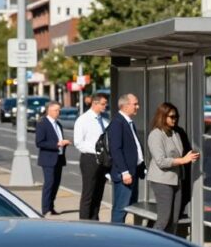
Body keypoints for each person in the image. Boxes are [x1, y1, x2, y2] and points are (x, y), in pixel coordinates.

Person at [147, 102, 199, 235]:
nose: (174, 119)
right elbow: (160, 161)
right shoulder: (156, 134)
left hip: (177, 179)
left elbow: (179, 154)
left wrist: (189, 157)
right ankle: (152, 244)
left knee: (174, 220)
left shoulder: (175, 133)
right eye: (171, 116)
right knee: (164, 219)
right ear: (162, 116)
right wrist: (183, 160)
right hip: (162, 181)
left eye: (176, 116)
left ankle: (168, 245)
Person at [108, 93, 145, 223]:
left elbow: (134, 147)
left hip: (133, 172)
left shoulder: (128, 122)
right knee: (120, 209)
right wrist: (124, 172)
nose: (137, 107)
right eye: (135, 104)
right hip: (125, 175)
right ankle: (116, 233)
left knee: (132, 206)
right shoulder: (117, 123)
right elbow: (116, 150)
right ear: (125, 106)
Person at [73, 92, 109, 220]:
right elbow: (78, 142)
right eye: (103, 104)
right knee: (88, 194)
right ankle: (84, 222)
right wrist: (97, 151)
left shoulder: (104, 121)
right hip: (89, 159)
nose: (105, 106)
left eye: (106, 104)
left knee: (98, 194)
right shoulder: (83, 120)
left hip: (102, 161)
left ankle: (94, 220)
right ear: (94, 103)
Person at [34, 101, 70, 217]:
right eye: (56, 110)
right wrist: (57, 144)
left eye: (59, 110)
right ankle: (46, 209)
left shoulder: (58, 124)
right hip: (48, 158)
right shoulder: (42, 123)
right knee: (49, 183)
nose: (58, 112)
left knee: (56, 183)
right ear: (48, 110)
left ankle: (51, 206)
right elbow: (39, 142)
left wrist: (64, 144)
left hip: (59, 157)